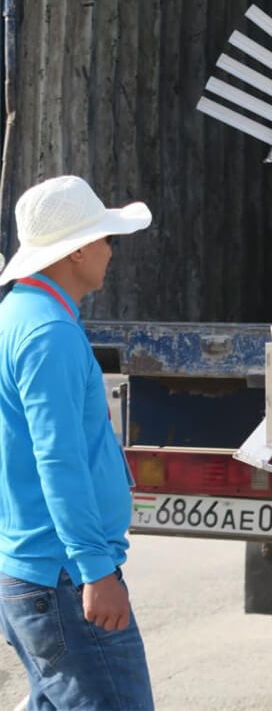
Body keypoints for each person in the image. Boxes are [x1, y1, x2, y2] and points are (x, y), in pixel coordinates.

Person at [0, 175, 154, 710]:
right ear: (80, 249)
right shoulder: (49, 332)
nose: (112, 252)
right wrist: (96, 570)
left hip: (38, 574)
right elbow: (58, 461)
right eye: (108, 238)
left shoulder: (20, 314)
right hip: (61, 578)